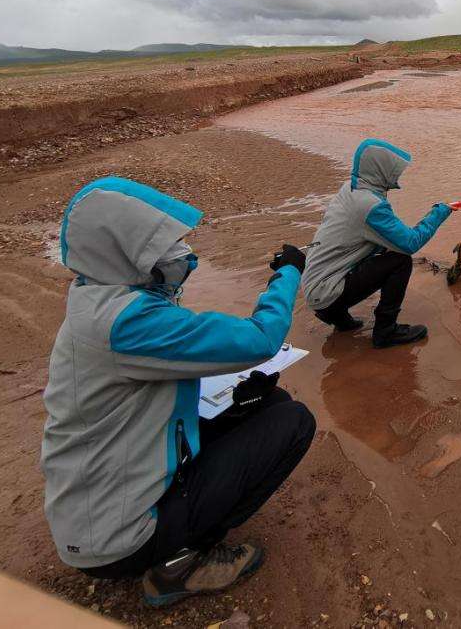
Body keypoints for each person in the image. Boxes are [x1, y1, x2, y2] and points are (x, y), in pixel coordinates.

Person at [41, 177, 315, 608]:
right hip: (118, 539)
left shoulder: (96, 298)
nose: (180, 252)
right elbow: (260, 339)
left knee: (269, 404)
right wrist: (289, 272)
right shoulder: (127, 323)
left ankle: (180, 526)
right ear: (124, 251)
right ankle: (178, 564)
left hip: (99, 505)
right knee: (295, 422)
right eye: (161, 244)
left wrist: (235, 401)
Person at [302, 138, 460, 347]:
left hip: (314, 286)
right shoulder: (370, 205)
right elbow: (411, 242)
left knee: (380, 249)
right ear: (380, 169)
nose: (397, 174)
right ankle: (386, 331)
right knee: (400, 260)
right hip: (326, 292)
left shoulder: (351, 189)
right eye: (393, 169)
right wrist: (440, 211)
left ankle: (338, 317)